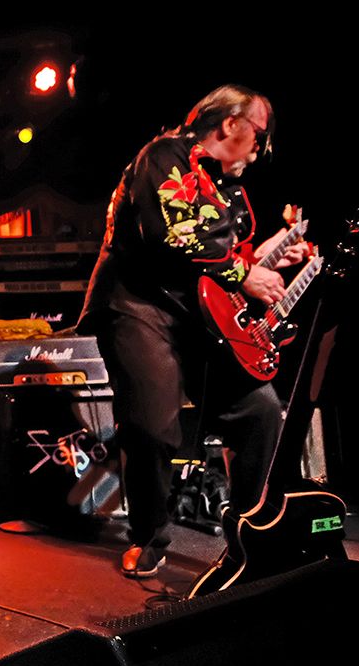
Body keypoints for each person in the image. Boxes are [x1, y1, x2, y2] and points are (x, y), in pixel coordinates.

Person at [78, 85, 306, 579]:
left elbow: (221, 258)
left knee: (262, 410)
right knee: (152, 424)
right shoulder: (165, 156)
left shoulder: (229, 189)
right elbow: (173, 237)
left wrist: (266, 256)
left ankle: (247, 533)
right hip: (140, 305)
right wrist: (243, 273)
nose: (259, 150)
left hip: (197, 317)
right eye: (259, 136)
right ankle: (149, 536)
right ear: (230, 124)